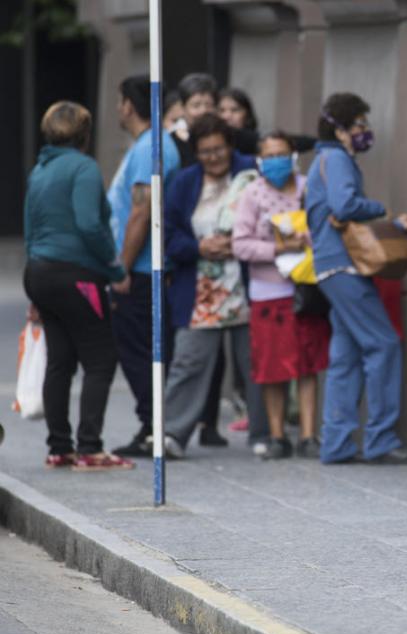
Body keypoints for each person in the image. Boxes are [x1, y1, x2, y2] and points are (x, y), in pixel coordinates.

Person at [22, 101, 134, 471]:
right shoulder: (83, 168)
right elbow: (89, 225)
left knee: (61, 360)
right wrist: (116, 269)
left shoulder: (40, 170)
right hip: (77, 276)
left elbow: (30, 230)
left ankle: (59, 447)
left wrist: (34, 290)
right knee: (101, 359)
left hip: (39, 272)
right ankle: (90, 446)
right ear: (85, 133)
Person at [306, 93, 407, 464]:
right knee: (383, 344)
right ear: (339, 130)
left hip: (330, 266)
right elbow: (344, 206)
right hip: (345, 266)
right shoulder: (336, 159)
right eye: (359, 126)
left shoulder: (324, 158)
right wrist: (380, 208)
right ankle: (381, 439)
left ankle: (335, 445)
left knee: (346, 355)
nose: (365, 132)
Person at [161, 114, 264, 458]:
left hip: (249, 284)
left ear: (230, 145)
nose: (213, 157)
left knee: (256, 362)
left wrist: (241, 242)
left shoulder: (252, 172)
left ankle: (264, 433)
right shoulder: (184, 183)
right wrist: (198, 247)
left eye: (219, 149)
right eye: (205, 151)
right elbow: (169, 233)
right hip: (200, 290)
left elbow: (274, 216)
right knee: (187, 362)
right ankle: (172, 434)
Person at [233, 132, 331, 458]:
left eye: (281, 154)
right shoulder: (252, 194)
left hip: (307, 288)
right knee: (273, 366)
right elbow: (240, 244)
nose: (276, 161)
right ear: (260, 160)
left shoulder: (309, 187)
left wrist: (307, 239)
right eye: (269, 155)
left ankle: (308, 435)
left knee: (307, 363)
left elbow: (328, 228)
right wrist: (279, 247)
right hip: (267, 293)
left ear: (292, 156)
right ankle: (277, 435)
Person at [108, 75, 182, 458]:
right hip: (137, 267)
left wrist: (121, 267)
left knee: (139, 350)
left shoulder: (151, 147)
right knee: (139, 349)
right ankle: (150, 424)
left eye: (120, 101)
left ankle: (154, 426)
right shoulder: (146, 146)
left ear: (129, 105)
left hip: (139, 270)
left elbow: (141, 211)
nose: (118, 108)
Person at [219, 87, 317, 156]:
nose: (227, 116)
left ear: (247, 114)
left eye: (235, 110)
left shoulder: (255, 139)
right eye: (221, 110)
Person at [172, 73, 218, 168]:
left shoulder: (228, 138)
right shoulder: (171, 144)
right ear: (182, 108)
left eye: (209, 105)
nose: (203, 111)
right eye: (196, 105)